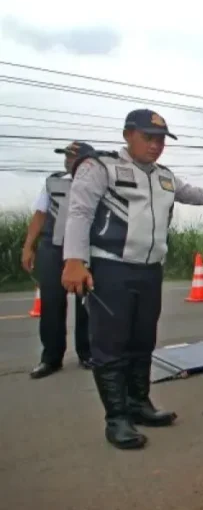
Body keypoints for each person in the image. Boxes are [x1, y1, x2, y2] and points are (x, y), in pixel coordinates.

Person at [61, 109, 203, 450]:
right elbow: (79, 212)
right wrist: (74, 261)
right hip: (111, 269)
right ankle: (117, 418)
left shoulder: (163, 177)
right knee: (111, 346)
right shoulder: (101, 167)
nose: (156, 146)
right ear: (128, 135)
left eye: (161, 140)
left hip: (150, 270)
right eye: (148, 138)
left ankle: (139, 404)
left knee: (142, 341)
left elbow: (194, 194)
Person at [21, 141, 108, 378]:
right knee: (51, 303)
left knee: (85, 305)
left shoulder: (100, 182)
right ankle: (51, 358)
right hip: (53, 247)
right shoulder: (54, 181)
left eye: (73, 157)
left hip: (84, 249)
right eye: (66, 157)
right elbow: (40, 214)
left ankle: (87, 353)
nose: (68, 161)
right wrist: (28, 247)